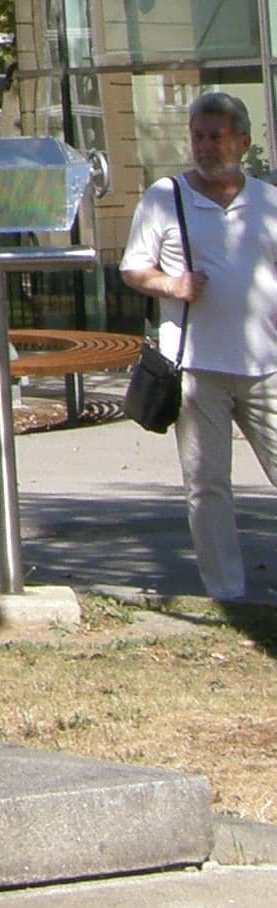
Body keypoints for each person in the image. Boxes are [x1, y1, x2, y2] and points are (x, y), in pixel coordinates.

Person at [119, 88, 277, 604]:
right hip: (195, 368)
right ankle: (228, 594)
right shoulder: (165, 198)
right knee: (208, 487)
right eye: (198, 136)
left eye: (217, 137)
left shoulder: (269, 202)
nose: (206, 146)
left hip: (267, 365)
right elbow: (133, 269)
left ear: (243, 143)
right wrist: (173, 285)